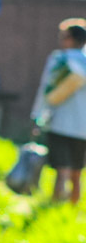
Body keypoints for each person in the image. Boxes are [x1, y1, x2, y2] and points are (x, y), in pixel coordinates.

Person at [31, 17, 86, 204]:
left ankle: (55, 206)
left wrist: (37, 117)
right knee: (77, 172)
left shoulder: (59, 59)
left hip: (60, 123)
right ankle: (72, 210)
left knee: (61, 169)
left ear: (70, 39)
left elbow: (45, 90)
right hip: (83, 128)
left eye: (63, 36)